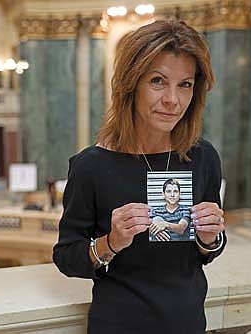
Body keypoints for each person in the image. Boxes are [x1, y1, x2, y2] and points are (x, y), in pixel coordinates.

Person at [53, 20, 226, 334]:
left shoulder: (203, 158)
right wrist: (112, 242)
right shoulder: (90, 165)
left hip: (187, 324)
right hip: (119, 325)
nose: (173, 99)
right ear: (131, 84)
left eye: (185, 84)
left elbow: (205, 253)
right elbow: (66, 257)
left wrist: (209, 237)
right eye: (158, 81)